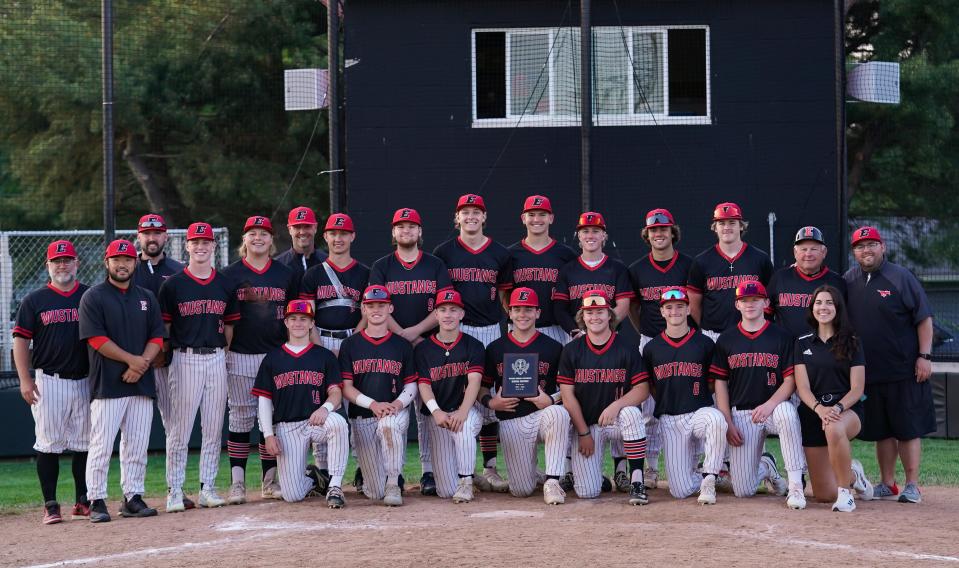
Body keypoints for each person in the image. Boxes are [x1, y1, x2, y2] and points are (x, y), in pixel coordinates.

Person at [844, 226, 935, 504]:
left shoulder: (901, 277)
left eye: (871, 244)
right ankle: (887, 483)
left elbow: (924, 319)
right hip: (870, 372)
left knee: (906, 429)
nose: (866, 250)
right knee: (882, 430)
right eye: (860, 246)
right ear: (854, 252)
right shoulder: (848, 280)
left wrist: (925, 356)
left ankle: (912, 485)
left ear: (882, 247)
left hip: (905, 369)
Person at [79, 239, 165, 522]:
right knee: (102, 445)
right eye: (116, 259)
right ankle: (96, 499)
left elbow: (156, 336)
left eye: (127, 259)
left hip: (140, 383)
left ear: (135, 263)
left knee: (137, 445)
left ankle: (133, 496)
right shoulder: (94, 296)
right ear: (107, 263)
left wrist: (140, 366)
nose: (122, 264)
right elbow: (96, 339)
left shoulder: (145, 297)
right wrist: (133, 361)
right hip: (108, 384)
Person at [369, 207, 453, 496]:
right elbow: (376, 306)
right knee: (395, 406)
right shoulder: (382, 266)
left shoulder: (435, 264)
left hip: (429, 344)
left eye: (411, 227)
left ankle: (429, 470)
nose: (406, 231)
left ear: (420, 233)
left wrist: (414, 332)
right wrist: (402, 335)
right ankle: (396, 472)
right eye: (400, 227)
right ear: (393, 233)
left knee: (427, 410)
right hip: (393, 346)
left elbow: (444, 306)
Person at [433, 193, 512, 493]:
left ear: (484, 217)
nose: (470, 217)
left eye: (476, 212)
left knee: (488, 395)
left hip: (491, 329)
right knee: (455, 394)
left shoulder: (500, 253)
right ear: (457, 218)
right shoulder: (444, 252)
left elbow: (506, 296)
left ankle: (489, 466)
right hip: (458, 328)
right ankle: (458, 463)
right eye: (465, 212)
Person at [158, 222, 240, 512]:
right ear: (187, 246)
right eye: (196, 242)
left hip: (217, 356)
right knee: (179, 430)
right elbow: (165, 328)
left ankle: (208, 487)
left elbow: (229, 326)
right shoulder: (173, 284)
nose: (201, 246)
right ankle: (175, 490)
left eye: (207, 242)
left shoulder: (224, 283)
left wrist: (223, 353)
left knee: (213, 428)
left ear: (214, 246)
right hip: (185, 357)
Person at [553, 212, 634, 492]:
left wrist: (605, 328)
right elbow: (559, 308)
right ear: (578, 236)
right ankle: (570, 467)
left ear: (604, 236)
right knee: (574, 398)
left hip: (611, 340)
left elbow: (623, 304)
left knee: (622, 401)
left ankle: (623, 468)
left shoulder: (616, 268)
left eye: (596, 231)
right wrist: (579, 331)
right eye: (585, 231)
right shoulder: (568, 270)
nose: (590, 236)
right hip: (577, 339)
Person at [221, 215, 298, 503]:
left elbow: (295, 315)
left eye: (263, 233)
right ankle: (237, 483)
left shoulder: (285, 273)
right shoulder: (229, 274)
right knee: (240, 419)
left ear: (271, 240)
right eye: (252, 233)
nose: (258, 238)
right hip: (240, 354)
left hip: (275, 355)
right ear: (245, 240)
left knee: (270, 421)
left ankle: (269, 480)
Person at [13, 240, 91, 524]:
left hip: (85, 379)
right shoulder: (34, 300)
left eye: (67, 260)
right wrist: (25, 379)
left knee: (84, 443)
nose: (62, 265)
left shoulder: (89, 295)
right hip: (50, 380)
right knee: (48, 444)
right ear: (48, 265)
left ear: (76, 263)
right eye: (57, 261)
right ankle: (51, 504)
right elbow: (20, 340)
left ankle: (83, 500)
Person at [710, 281, 807, 509]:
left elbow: (791, 380)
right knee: (743, 490)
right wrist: (727, 421)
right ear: (737, 305)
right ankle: (767, 466)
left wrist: (770, 404)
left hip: (774, 408)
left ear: (765, 303)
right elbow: (720, 383)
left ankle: (795, 487)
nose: (750, 304)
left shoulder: (782, 336)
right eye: (744, 300)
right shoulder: (727, 339)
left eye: (755, 299)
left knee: (787, 412)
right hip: (742, 413)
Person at [557, 290, 650, 505]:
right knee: (587, 492)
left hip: (616, 422)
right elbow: (567, 395)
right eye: (589, 312)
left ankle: (637, 480)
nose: (595, 317)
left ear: (610, 315)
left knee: (632, 414)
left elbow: (642, 388)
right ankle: (596, 476)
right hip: (588, 426)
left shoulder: (626, 347)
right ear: (582, 317)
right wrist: (582, 432)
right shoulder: (572, 350)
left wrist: (616, 406)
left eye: (600, 311)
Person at [253, 300, 349, 507]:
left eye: (303, 319)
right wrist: (268, 435)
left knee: (339, 423)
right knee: (292, 495)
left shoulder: (323, 356)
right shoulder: (272, 358)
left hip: (317, 421)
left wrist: (326, 408)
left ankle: (335, 485)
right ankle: (316, 478)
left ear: (311, 324)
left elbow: (336, 393)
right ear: (286, 323)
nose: (298, 323)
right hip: (288, 426)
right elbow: (264, 400)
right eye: (293, 319)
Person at [481, 288, 570, 504]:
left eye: (529, 309)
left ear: (538, 313)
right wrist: (492, 402)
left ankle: (552, 480)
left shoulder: (554, 347)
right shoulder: (494, 348)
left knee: (558, 414)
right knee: (521, 490)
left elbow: (568, 387)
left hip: (542, 416)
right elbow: (483, 388)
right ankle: (533, 474)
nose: (523, 314)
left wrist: (551, 399)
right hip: (511, 420)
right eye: (517, 309)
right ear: (509, 313)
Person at [641, 287, 727, 504]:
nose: (674, 312)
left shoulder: (705, 343)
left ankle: (709, 478)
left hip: (699, 412)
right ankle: (702, 474)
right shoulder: (651, 348)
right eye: (668, 307)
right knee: (679, 491)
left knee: (716, 420)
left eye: (680, 306)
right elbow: (651, 386)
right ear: (662, 312)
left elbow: (712, 382)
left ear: (689, 309)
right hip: (670, 418)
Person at [627, 208, 693, 488]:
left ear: (672, 232)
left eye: (663, 229)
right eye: (653, 230)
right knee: (648, 407)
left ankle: (696, 463)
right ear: (647, 234)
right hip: (651, 340)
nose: (659, 234)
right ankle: (651, 467)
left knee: (691, 401)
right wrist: (643, 331)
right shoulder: (637, 269)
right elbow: (632, 306)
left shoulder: (689, 265)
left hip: (685, 341)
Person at [793, 285, 874, 511]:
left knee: (834, 428)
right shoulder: (802, 343)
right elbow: (803, 388)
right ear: (812, 308)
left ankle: (846, 494)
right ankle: (853, 474)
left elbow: (858, 388)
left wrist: (837, 408)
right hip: (814, 413)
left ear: (838, 308)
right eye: (819, 302)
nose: (823, 307)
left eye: (829, 302)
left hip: (847, 409)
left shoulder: (852, 340)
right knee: (824, 495)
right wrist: (820, 409)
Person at [130, 214, 192, 507]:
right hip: (134, 362)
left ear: (166, 236)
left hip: (168, 360)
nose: (151, 238)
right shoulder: (127, 268)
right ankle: (132, 493)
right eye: (146, 234)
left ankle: (175, 490)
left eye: (157, 233)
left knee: (175, 428)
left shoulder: (179, 271)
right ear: (139, 236)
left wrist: (164, 350)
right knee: (133, 430)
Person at [338, 285, 417, 506]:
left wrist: (397, 404)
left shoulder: (402, 345)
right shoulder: (350, 344)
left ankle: (394, 482)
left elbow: (411, 384)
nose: (376, 309)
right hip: (362, 415)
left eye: (381, 305)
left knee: (389, 426)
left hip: (394, 410)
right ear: (363, 309)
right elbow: (346, 387)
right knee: (374, 492)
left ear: (390, 308)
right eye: (371, 305)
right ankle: (370, 477)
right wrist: (372, 404)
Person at [414, 290, 485, 503]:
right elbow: (424, 385)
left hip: (466, 411)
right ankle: (466, 475)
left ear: (461, 314)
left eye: (454, 310)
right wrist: (435, 411)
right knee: (445, 490)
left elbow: (474, 381)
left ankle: (466, 481)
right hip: (438, 416)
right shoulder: (424, 349)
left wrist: (463, 412)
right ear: (435, 315)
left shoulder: (473, 345)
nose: (448, 315)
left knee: (462, 430)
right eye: (443, 310)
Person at [688, 202, 774, 341]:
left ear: (741, 225)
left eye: (732, 222)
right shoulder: (701, 261)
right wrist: (706, 326)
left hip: (753, 333)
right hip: (714, 335)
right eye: (721, 223)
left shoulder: (760, 258)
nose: (727, 227)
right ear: (714, 227)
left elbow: (770, 298)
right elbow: (693, 304)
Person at [508, 195, 577, 345]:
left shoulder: (566, 254)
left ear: (551, 218)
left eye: (542, 214)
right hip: (519, 327)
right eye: (531, 215)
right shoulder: (511, 254)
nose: (536, 219)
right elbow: (504, 293)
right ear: (523, 218)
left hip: (556, 328)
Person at [300, 213, 368, 354]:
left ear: (352, 236)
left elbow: (368, 315)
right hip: (320, 340)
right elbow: (306, 316)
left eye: (343, 233)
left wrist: (349, 346)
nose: (338, 239)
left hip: (355, 339)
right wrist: (321, 349)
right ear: (326, 237)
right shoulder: (313, 274)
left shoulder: (365, 273)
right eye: (333, 234)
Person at [766, 226, 847, 338]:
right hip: (785, 350)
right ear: (795, 252)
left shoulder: (837, 283)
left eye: (814, 249)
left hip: (821, 351)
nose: (808, 254)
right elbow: (765, 313)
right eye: (803, 249)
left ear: (824, 252)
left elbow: (843, 320)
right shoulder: (780, 278)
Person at [274, 206, 327, 285]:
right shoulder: (277, 265)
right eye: (297, 227)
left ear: (315, 228)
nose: (302, 232)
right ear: (289, 229)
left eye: (307, 226)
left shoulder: (328, 262)